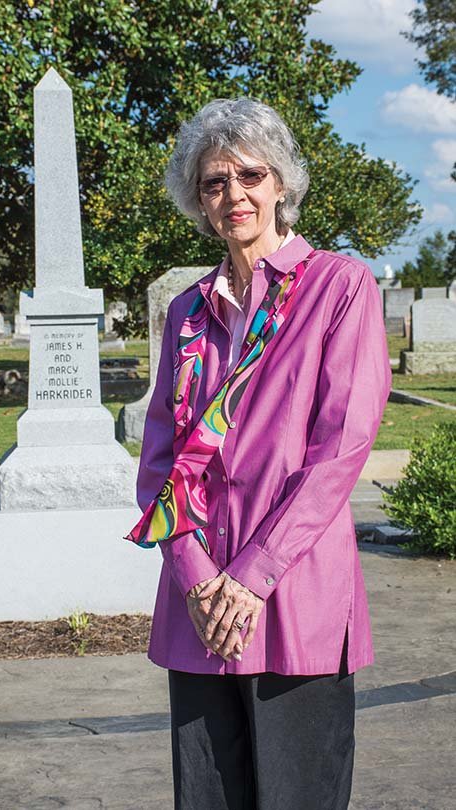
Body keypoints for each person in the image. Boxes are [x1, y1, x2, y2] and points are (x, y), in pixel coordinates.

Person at [124, 97, 392, 810]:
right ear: (198, 199)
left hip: (293, 592)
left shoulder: (339, 288)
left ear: (280, 185)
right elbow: (160, 460)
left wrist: (250, 579)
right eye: (215, 182)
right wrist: (195, 574)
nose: (234, 194)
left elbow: (340, 448)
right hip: (200, 603)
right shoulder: (187, 311)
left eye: (250, 175)